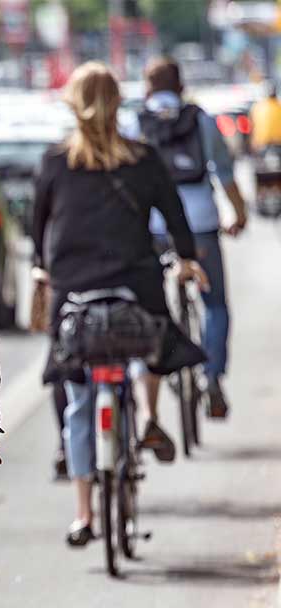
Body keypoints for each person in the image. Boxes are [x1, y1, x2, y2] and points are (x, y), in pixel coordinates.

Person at [32, 62, 208, 548]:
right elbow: (174, 218)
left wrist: (42, 269)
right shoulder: (145, 158)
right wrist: (188, 260)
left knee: (77, 393)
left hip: (74, 292)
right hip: (135, 286)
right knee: (157, 338)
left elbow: (38, 227)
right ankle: (148, 417)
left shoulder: (54, 161)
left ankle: (84, 514)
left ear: (74, 104)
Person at [140, 56, 246, 418]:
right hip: (199, 224)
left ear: (147, 89)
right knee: (214, 304)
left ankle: (161, 366)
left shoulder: (135, 123)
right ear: (181, 87)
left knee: (151, 308)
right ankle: (212, 376)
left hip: (153, 229)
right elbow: (226, 175)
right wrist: (239, 215)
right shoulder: (202, 121)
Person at [250, 82, 281, 152]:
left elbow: (252, 125)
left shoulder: (258, 107)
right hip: (277, 142)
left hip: (262, 143)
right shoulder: (279, 106)